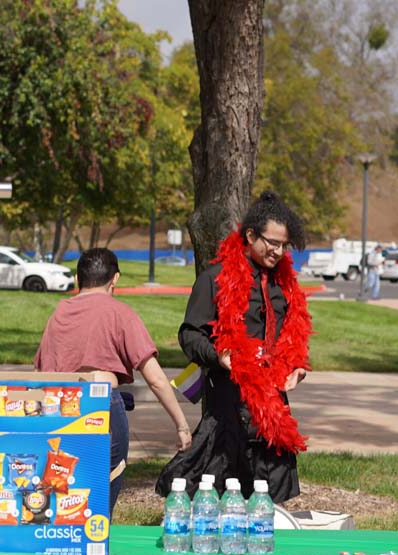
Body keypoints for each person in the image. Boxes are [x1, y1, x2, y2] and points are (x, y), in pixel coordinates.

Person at [155, 191, 312, 502]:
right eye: (272, 242)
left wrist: (296, 367)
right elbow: (189, 335)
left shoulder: (286, 286)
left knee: (270, 487)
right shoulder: (215, 279)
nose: (278, 251)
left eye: (284, 245)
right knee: (214, 479)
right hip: (228, 399)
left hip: (272, 404)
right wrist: (218, 356)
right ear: (251, 235)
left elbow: (293, 337)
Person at [35, 248, 192, 512]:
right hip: (101, 404)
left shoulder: (59, 313)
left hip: (58, 405)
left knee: (62, 486)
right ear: (115, 279)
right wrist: (182, 425)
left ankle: (63, 542)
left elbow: (41, 371)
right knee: (103, 484)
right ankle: (96, 535)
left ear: (77, 278)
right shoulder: (119, 312)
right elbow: (155, 379)